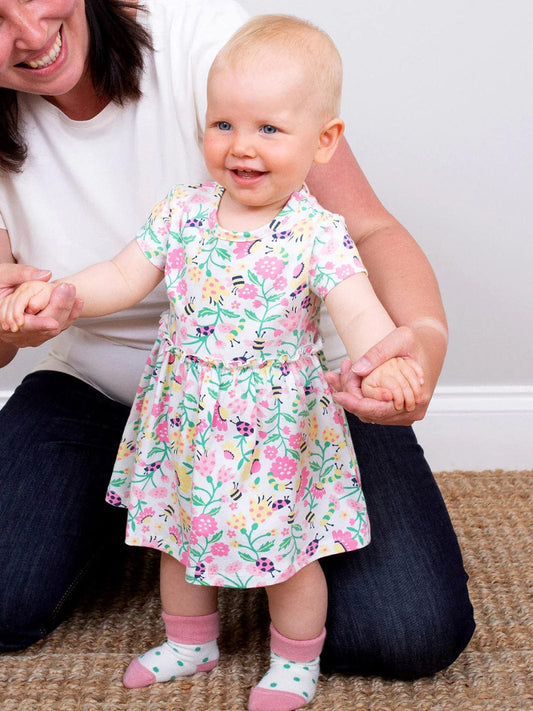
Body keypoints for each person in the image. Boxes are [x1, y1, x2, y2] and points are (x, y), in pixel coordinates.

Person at [0, 0, 474, 683]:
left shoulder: (312, 228)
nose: (241, 146)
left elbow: (359, 310)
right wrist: (60, 295)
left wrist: (398, 357)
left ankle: (293, 659)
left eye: (267, 130)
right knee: (172, 531)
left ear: (322, 142)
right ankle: (189, 637)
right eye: (222, 126)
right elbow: (121, 276)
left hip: (283, 426)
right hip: (181, 417)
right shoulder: (184, 210)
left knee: (320, 569)